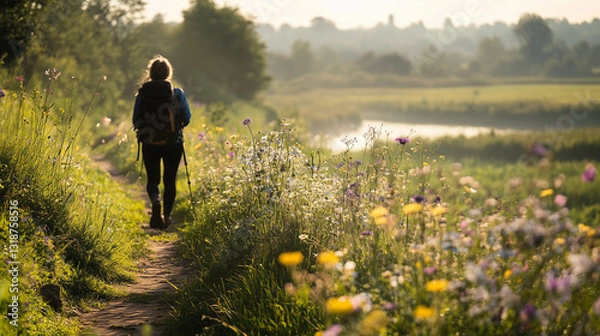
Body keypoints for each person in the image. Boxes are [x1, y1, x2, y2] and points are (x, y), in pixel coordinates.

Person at [132, 55, 191, 229]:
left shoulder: (142, 93)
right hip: (173, 142)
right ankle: (167, 217)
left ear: (150, 73)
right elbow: (186, 118)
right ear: (168, 73)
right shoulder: (177, 93)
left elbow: (136, 120)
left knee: (153, 179)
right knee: (170, 180)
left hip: (150, 142)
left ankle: (156, 201)